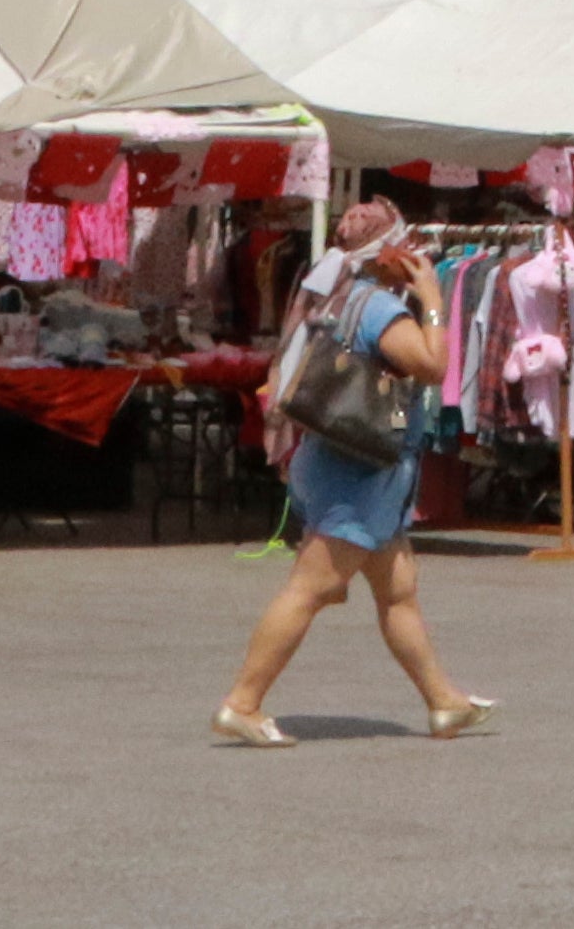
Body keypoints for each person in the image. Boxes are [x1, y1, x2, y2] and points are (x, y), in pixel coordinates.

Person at [215, 202, 495, 746]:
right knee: (310, 588)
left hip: (351, 461)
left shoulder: (343, 295)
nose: (418, 255)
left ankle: (444, 702)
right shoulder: (378, 309)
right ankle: (242, 704)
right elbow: (433, 366)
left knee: (398, 592)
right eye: (407, 245)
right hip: (359, 469)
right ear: (384, 253)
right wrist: (435, 303)